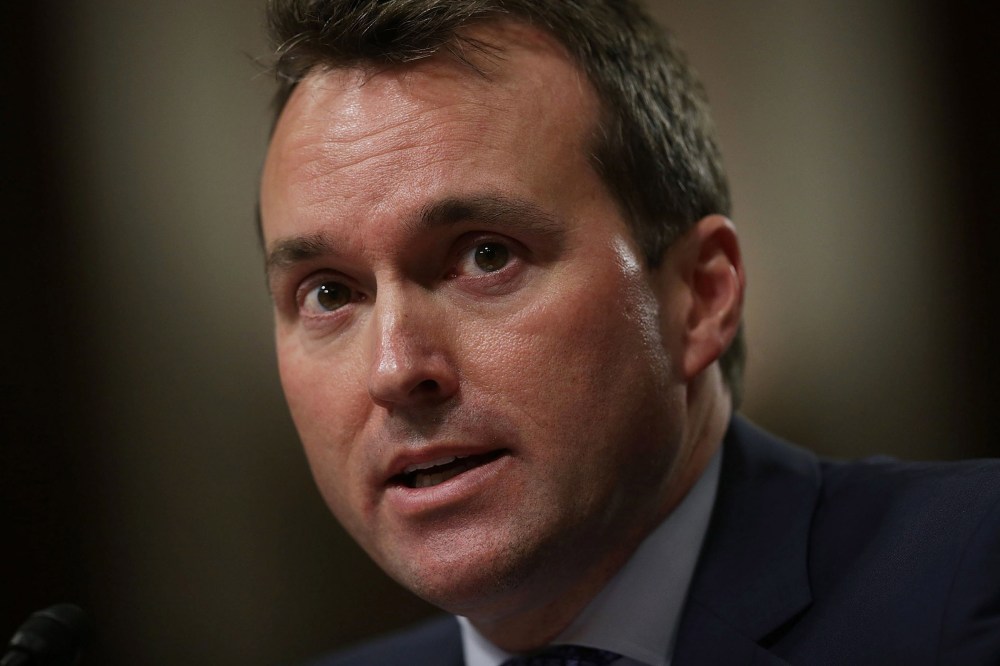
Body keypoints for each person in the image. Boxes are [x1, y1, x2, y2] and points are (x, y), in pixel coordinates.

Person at [257, 1, 1000, 664]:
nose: (393, 369)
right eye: (329, 293)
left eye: (486, 256)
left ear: (700, 297)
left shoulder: (970, 573)